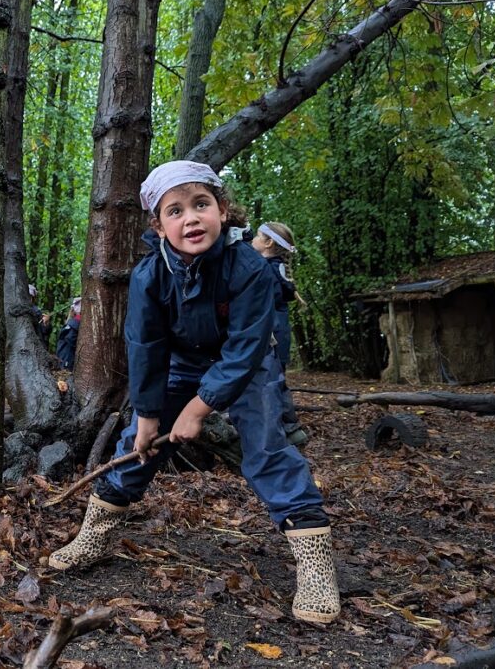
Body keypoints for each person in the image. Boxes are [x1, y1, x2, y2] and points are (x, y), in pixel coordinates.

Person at [45, 160, 340, 625]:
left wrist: (199, 408)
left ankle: (315, 563)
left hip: (247, 364)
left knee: (266, 445)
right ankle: (95, 534)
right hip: (180, 361)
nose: (191, 219)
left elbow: (246, 347)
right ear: (159, 226)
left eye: (201, 205)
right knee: (136, 445)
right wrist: (148, 415)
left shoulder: (250, 267)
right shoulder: (148, 276)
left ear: (223, 211)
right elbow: (145, 346)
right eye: (175, 211)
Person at [252, 222, 304, 442]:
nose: (253, 239)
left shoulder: (266, 270)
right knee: (275, 378)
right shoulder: (276, 269)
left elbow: (264, 303)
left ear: (268, 243)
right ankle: (289, 427)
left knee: (270, 380)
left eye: (257, 235)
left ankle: (284, 430)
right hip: (278, 333)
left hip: (270, 335)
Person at [55, 297, 82, 369]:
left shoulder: (71, 322)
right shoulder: (75, 323)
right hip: (66, 356)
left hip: (63, 355)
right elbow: (70, 338)